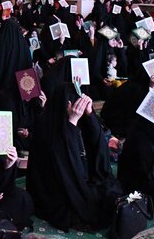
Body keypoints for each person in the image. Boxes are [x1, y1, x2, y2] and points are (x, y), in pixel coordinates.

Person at [27, 83, 122, 231]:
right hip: (56, 188)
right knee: (89, 208)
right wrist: (71, 123)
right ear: (67, 104)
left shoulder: (81, 119)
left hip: (79, 178)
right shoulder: (46, 124)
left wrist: (90, 116)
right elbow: (63, 163)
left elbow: (99, 147)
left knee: (109, 190)